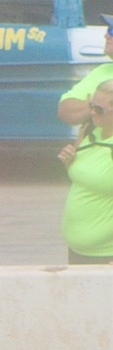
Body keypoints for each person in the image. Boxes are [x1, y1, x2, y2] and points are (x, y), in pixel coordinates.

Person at [59, 79, 113, 265]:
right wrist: (69, 163)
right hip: (78, 251)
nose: (91, 113)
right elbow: (89, 179)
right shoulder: (90, 131)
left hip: (107, 255)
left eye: (99, 109)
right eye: (91, 106)